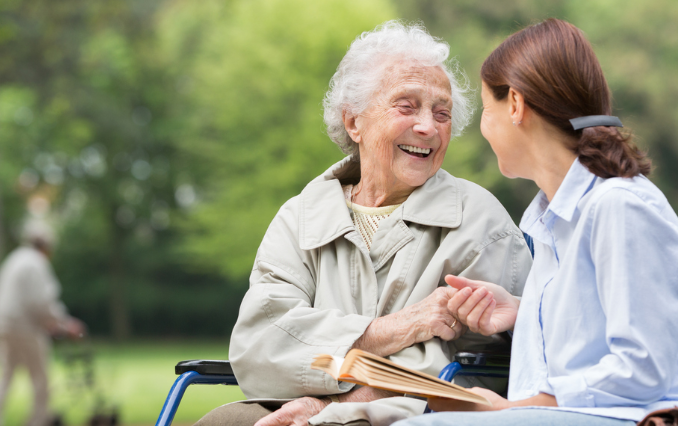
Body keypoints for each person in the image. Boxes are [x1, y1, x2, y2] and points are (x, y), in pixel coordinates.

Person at [394, 18, 678, 426]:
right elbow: (600, 325)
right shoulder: (553, 220)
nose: (483, 128)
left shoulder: (620, 207)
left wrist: (511, 409)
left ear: (515, 105)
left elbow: (640, 369)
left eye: (487, 110)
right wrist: (522, 310)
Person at [195, 21, 532, 426]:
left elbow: (487, 367)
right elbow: (260, 342)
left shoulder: (481, 221)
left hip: (416, 414)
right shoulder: (300, 216)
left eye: (441, 113)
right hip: (291, 402)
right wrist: (393, 329)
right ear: (354, 122)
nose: (428, 126)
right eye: (406, 106)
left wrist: (335, 406)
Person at [0, 219, 85, 426]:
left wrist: (53, 322)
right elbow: (42, 302)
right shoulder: (36, 263)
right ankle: (39, 420)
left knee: (5, 374)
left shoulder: (15, 258)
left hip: (2, 324)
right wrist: (65, 323)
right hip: (24, 327)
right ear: (46, 246)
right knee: (41, 376)